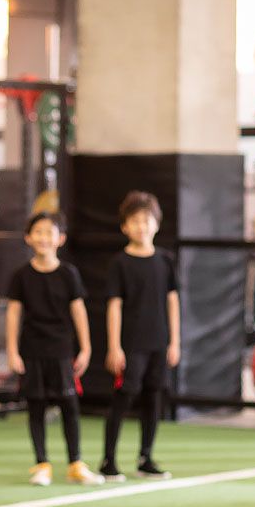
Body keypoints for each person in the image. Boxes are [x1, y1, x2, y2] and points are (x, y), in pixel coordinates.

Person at [6, 212, 104, 486]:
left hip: (62, 351)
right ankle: (41, 464)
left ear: (60, 239)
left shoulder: (69, 274)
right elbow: (13, 314)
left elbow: (79, 312)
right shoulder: (21, 276)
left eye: (49, 232)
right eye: (37, 232)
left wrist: (85, 348)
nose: (43, 237)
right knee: (36, 407)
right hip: (32, 351)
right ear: (28, 237)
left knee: (69, 405)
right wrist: (12, 351)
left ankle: (75, 463)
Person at [100, 191, 181, 481]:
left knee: (152, 399)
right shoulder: (120, 263)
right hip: (131, 345)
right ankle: (108, 460)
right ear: (124, 227)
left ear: (156, 224)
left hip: (158, 342)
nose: (141, 226)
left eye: (146, 220)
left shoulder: (165, 261)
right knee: (124, 397)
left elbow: (172, 302)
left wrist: (174, 341)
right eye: (134, 221)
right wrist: (114, 346)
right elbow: (114, 306)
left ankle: (146, 457)